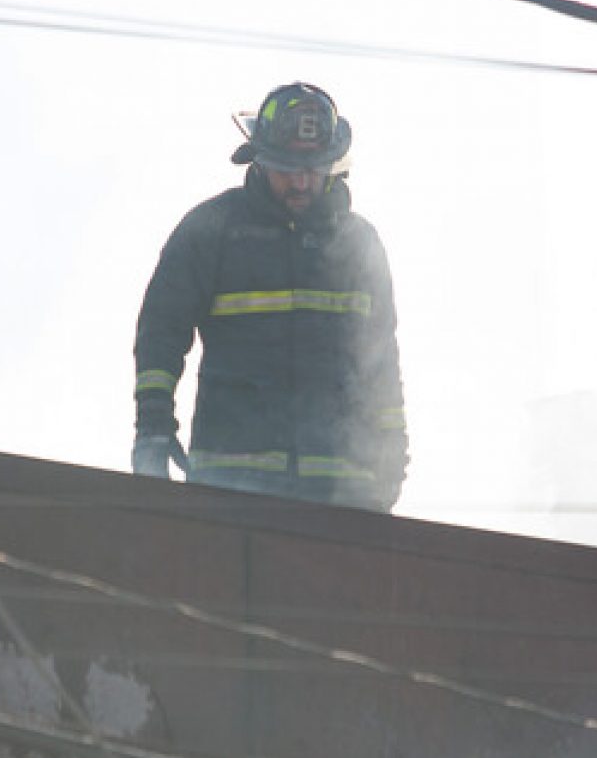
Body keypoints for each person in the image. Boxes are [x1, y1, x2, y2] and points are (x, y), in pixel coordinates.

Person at [131, 82, 409, 512]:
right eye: (286, 168)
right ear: (257, 160)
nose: (300, 183)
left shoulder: (359, 245)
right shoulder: (211, 231)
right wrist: (153, 426)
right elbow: (160, 334)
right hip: (232, 488)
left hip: (344, 496)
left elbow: (381, 361)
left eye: (313, 169)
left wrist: (393, 454)